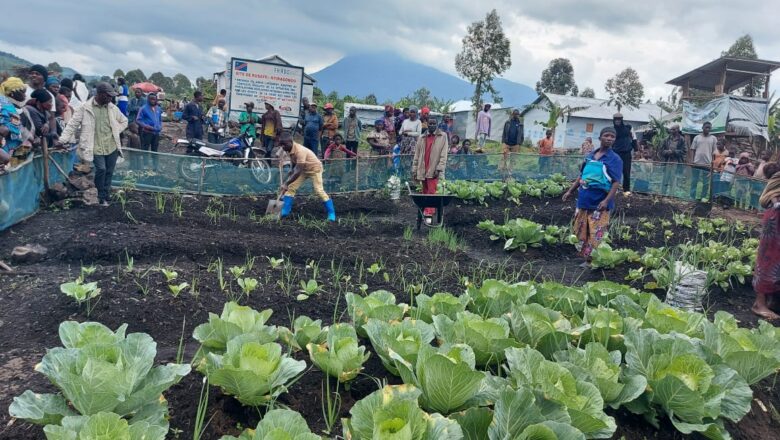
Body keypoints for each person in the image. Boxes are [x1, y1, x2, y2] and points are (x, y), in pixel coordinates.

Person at [562, 126, 623, 267]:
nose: (609, 138)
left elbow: (615, 183)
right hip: (584, 200)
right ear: (600, 137)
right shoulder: (590, 156)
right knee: (581, 230)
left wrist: (606, 201)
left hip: (599, 203)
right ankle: (586, 257)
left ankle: (592, 260)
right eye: (606, 135)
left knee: (596, 232)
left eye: (612, 137)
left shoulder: (614, 159)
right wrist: (570, 191)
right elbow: (581, 176)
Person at [60, 82, 128, 206]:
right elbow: (72, 125)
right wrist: (62, 140)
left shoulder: (112, 108)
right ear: (100, 94)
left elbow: (124, 121)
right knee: (101, 169)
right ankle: (101, 195)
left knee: (109, 171)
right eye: (108, 96)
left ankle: (105, 195)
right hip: (94, 146)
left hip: (111, 146)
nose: (110, 98)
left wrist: (116, 130)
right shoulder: (85, 108)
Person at [279, 131, 336, 221]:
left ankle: (331, 213)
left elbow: (298, 170)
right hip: (304, 169)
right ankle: (285, 211)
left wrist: (286, 183)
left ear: (291, 142)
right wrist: (291, 170)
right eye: (281, 144)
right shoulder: (288, 149)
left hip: (315, 169)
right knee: (291, 187)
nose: (282, 147)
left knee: (318, 190)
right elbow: (294, 163)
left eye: (284, 144)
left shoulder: (300, 150)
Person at [752, 162, 780, 319]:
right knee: (770, 259)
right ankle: (759, 303)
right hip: (777, 218)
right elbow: (767, 197)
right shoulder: (778, 176)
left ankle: (773, 300)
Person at [412, 117, 448, 221]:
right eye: (430, 124)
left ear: (437, 124)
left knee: (432, 191)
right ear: (427, 124)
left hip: (434, 168)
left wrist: (439, 168)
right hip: (423, 167)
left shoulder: (443, 136)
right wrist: (414, 169)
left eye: (434, 124)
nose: (432, 125)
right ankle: (426, 211)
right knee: (425, 191)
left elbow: (444, 154)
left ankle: (429, 213)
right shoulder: (422, 137)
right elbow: (417, 155)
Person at [689, 121, 718, 200]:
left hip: (707, 164)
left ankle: (703, 197)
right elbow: (692, 149)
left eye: (709, 128)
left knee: (705, 183)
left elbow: (714, 153)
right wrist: (692, 160)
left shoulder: (713, 139)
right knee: (694, 181)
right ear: (702, 128)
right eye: (706, 127)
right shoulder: (697, 137)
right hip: (696, 163)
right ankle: (692, 196)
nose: (707, 129)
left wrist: (713, 164)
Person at [135, 92, 163, 169]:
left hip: (156, 133)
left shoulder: (158, 108)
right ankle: (145, 166)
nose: (152, 101)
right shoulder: (143, 108)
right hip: (147, 133)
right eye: (151, 99)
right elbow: (138, 120)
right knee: (145, 150)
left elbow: (160, 119)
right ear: (148, 99)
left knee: (155, 150)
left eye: (154, 99)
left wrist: (160, 126)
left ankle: (155, 166)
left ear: (156, 99)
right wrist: (145, 126)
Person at [612, 113, 637, 192]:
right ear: (614, 120)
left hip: (626, 153)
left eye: (619, 119)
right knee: (614, 171)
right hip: (615, 153)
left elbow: (634, 138)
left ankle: (626, 190)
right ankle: (613, 189)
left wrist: (636, 150)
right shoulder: (612, 129)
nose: (617, 121)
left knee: (626, 172)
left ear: (622, 119)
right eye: (616, 119)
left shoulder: (628, 127)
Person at [659, 124, 687, 194]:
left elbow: (684, 151)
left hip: (676, 162)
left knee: (673, 179)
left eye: (673, 129)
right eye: (671, 129)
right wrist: (666, 152)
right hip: (667, 161)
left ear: (678, 130)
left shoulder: (682, 140)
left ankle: (671, 195)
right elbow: (661, 150)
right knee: (665, 178)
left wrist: (674, 152)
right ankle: (662, 194)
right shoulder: (666, 139)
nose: (671, 131)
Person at [501, 109, 524, 173]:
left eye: (517, 114)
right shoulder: (508, 122)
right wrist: (503, 142)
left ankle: (510, 171)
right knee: (504, 157)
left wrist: (520, 143)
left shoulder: (520, 124)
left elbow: (522, 134)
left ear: (518, 115)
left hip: (515, 144)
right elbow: (504, 132)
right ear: (512, 114)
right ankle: (503, 170)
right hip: (507, 143)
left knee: (513, 159)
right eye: (515, 114)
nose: (516, 115)